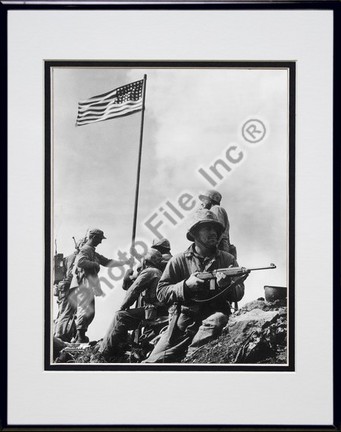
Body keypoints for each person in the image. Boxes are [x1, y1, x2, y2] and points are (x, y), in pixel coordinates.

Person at [144, 209, 246, 363]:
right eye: (208, 228)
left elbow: (238, 294)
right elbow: (161, 293)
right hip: (183, 324)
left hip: (214, 320)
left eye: (216, 229)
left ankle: (191, 359)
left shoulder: (227, 260)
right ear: (194, 233)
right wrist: (185, 286)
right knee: (151, 364)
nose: (214, 233)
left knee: (217, 320)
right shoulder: (178, 261)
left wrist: (227, 286)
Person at [100, 249, 166, 361]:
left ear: (145, 261)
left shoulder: (150, 272)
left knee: (120, 316)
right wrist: (129, 277)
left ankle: (105, 352)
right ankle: (123, 346)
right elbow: (129, 286)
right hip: (158, 310)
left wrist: (123, 307)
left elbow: (133, 290)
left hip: (154, 311)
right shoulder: (157, 272)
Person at [70, 228, 133, 343]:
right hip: (83, 283)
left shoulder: (92, 251)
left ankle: (79, 335)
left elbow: (107, 262)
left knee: (90, 312)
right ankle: (79, 337)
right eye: (99, 239)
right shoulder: (86, 249)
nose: (100, 242)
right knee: (85, 310)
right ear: (93, 237)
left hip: (88, 283)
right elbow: (80, 262)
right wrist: (95, 264)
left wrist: (124, 262)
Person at [53, 237, 87, 342]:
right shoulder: (77, 258)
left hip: (62, 287)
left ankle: (62, 335)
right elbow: (71, 275)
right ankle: (60, 336)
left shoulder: (68, 257)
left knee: (64, 312)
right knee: (67, 312)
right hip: (68, 286)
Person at [199, 189, 236, 258]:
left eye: (204, 199)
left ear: (211, 200)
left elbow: (218, 230)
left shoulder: (216, 209)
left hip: (219, 246)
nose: (202, 202)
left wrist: (212, 249)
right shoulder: (213, 210)